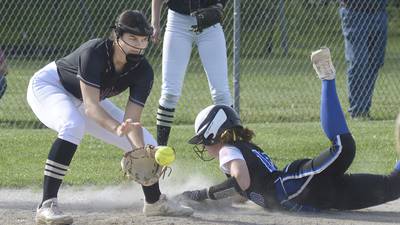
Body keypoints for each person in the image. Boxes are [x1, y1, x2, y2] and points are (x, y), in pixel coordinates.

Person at [182, 47, 400, 212]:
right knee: (394, 186)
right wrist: (204, 201)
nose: (203, 145)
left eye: (203, 139)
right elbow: (242, 191)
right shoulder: (241, 148)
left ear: (214, 134)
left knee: (344, 148)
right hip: (316, 196)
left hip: (295, 188)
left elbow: (241, 181)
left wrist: (202, 194)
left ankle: (327, 77)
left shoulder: (227, 150)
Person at [27, 10, 193, 225]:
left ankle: (154, 203)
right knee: (72, 125)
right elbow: (91, 107)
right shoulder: (94, 52)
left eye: (143, 39)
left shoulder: (143, 71)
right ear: (117, 36)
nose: (139, 45)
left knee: (148, 145)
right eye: (132, 38)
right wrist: (116, 128)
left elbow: (132, 121)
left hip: (88, 98)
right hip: (51, 86)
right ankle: (46, 205)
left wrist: (139, 150)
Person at [151, 0, 232, 146]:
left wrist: (219, 5)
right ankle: (160, 150)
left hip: (210, 25)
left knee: (221, 93)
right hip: (177, 23)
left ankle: (235, 147)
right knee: (169, 93)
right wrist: (155, 23)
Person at [339, 0, 388, 119]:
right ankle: (357, 111)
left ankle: (364, 109)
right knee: (358, 61)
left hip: (378, 12)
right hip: (354, 12)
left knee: (375, 62)